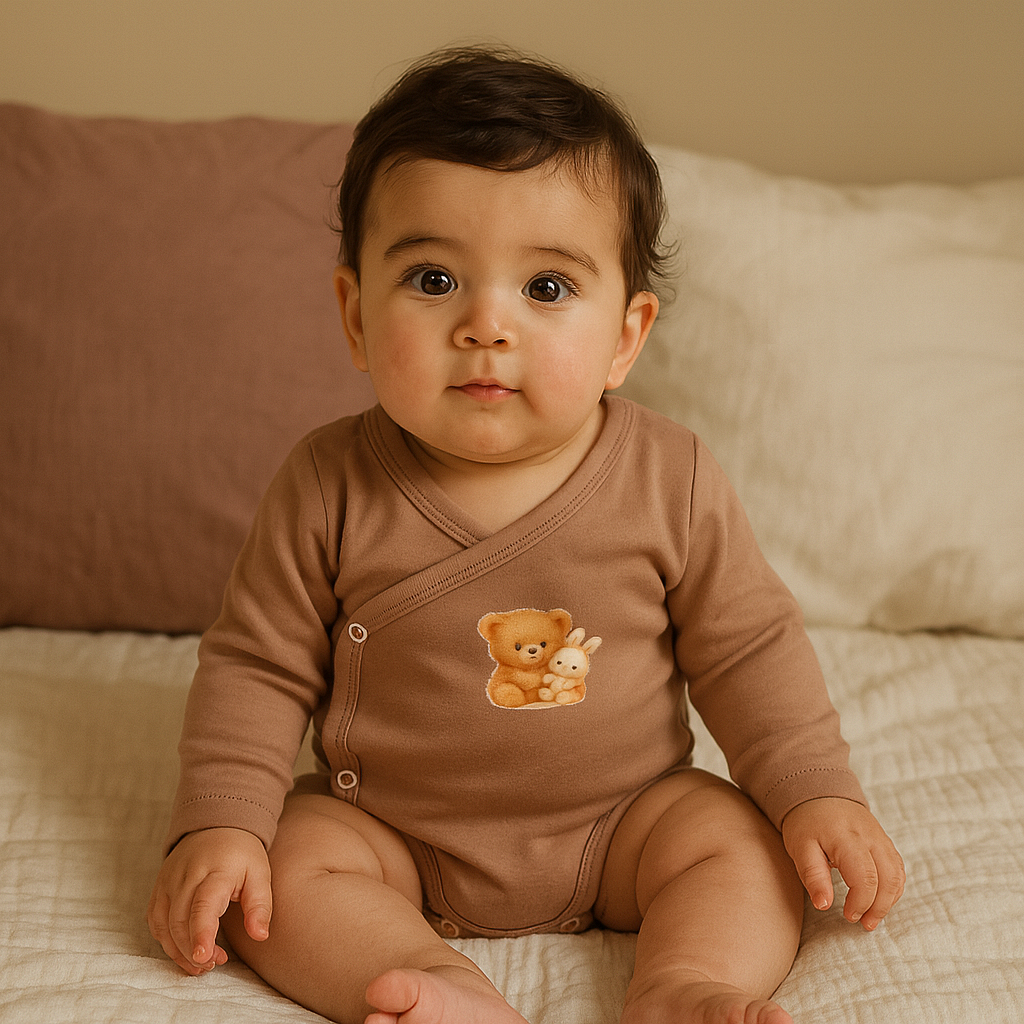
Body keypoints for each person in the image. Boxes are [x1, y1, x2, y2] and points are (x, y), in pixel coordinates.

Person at [148, 46, 905, 1024]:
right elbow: (257, 667)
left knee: (742, 842)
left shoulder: (668, 477)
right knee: (282, 868)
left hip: (626, 822)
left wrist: (814, 792)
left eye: (546, 288)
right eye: (432, 278)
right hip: (393, 833)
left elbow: (747, 648)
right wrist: (219, 823)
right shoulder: (327, 484)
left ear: (625, 336)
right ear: (354, 314)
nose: (486, 326)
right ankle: (442, 987)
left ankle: (683, 982)